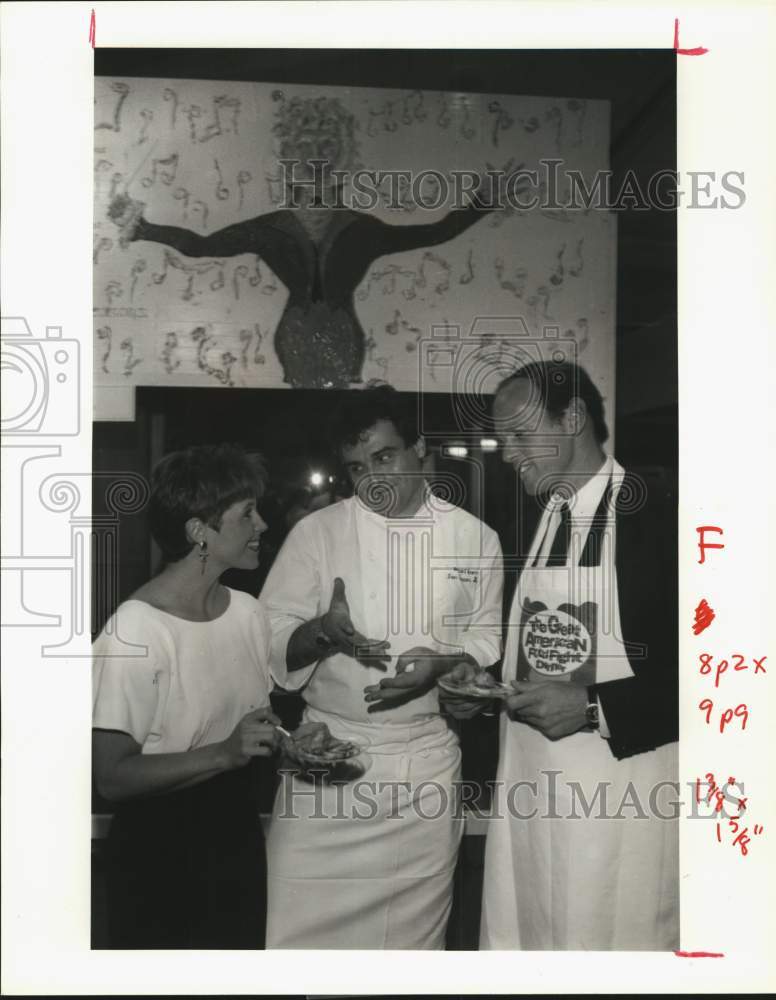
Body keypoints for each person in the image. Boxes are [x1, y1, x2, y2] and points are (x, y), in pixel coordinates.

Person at [444, 360, 678, 951]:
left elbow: (716, 680)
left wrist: (594, 707)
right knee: (530, 931)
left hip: (620, 798)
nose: (506, 453)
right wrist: (486, 684)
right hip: (531, 792)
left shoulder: (660, 521)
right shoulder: (531, 523)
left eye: (520, 435)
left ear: (572, 419)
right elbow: (547, 646)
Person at [259, 383, 503, 948]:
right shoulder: (316, 534)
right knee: (296, 942)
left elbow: (486, 636)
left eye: (385, 456)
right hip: (328, 758)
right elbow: (269, 643)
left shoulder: (475, 538)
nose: (371, 477)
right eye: (356, 466)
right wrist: (322, 632)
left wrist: (452, 663)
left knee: (410, 952)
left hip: (424, 768)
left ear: (421, 449)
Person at [107, 97, 522, 388]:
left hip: (334, 337)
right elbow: (199, 246)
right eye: (307, 151)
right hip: (307, 337)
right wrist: (142, 227)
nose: (317, 160)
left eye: (325, 149)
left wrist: (484, 202)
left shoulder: (350, 229)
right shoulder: (297, 229)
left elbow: (437, 232)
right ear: (293, 160)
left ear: (342, 158)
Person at [92, 443, 280, 949]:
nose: (261, 524)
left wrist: (294, 739)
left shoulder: (248, 612)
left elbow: (254, 726)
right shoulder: (135, 629)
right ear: (199, 532)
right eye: (247, 514)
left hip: (236, 835)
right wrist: (223, 753)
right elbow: (111, 777)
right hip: (158, 849)